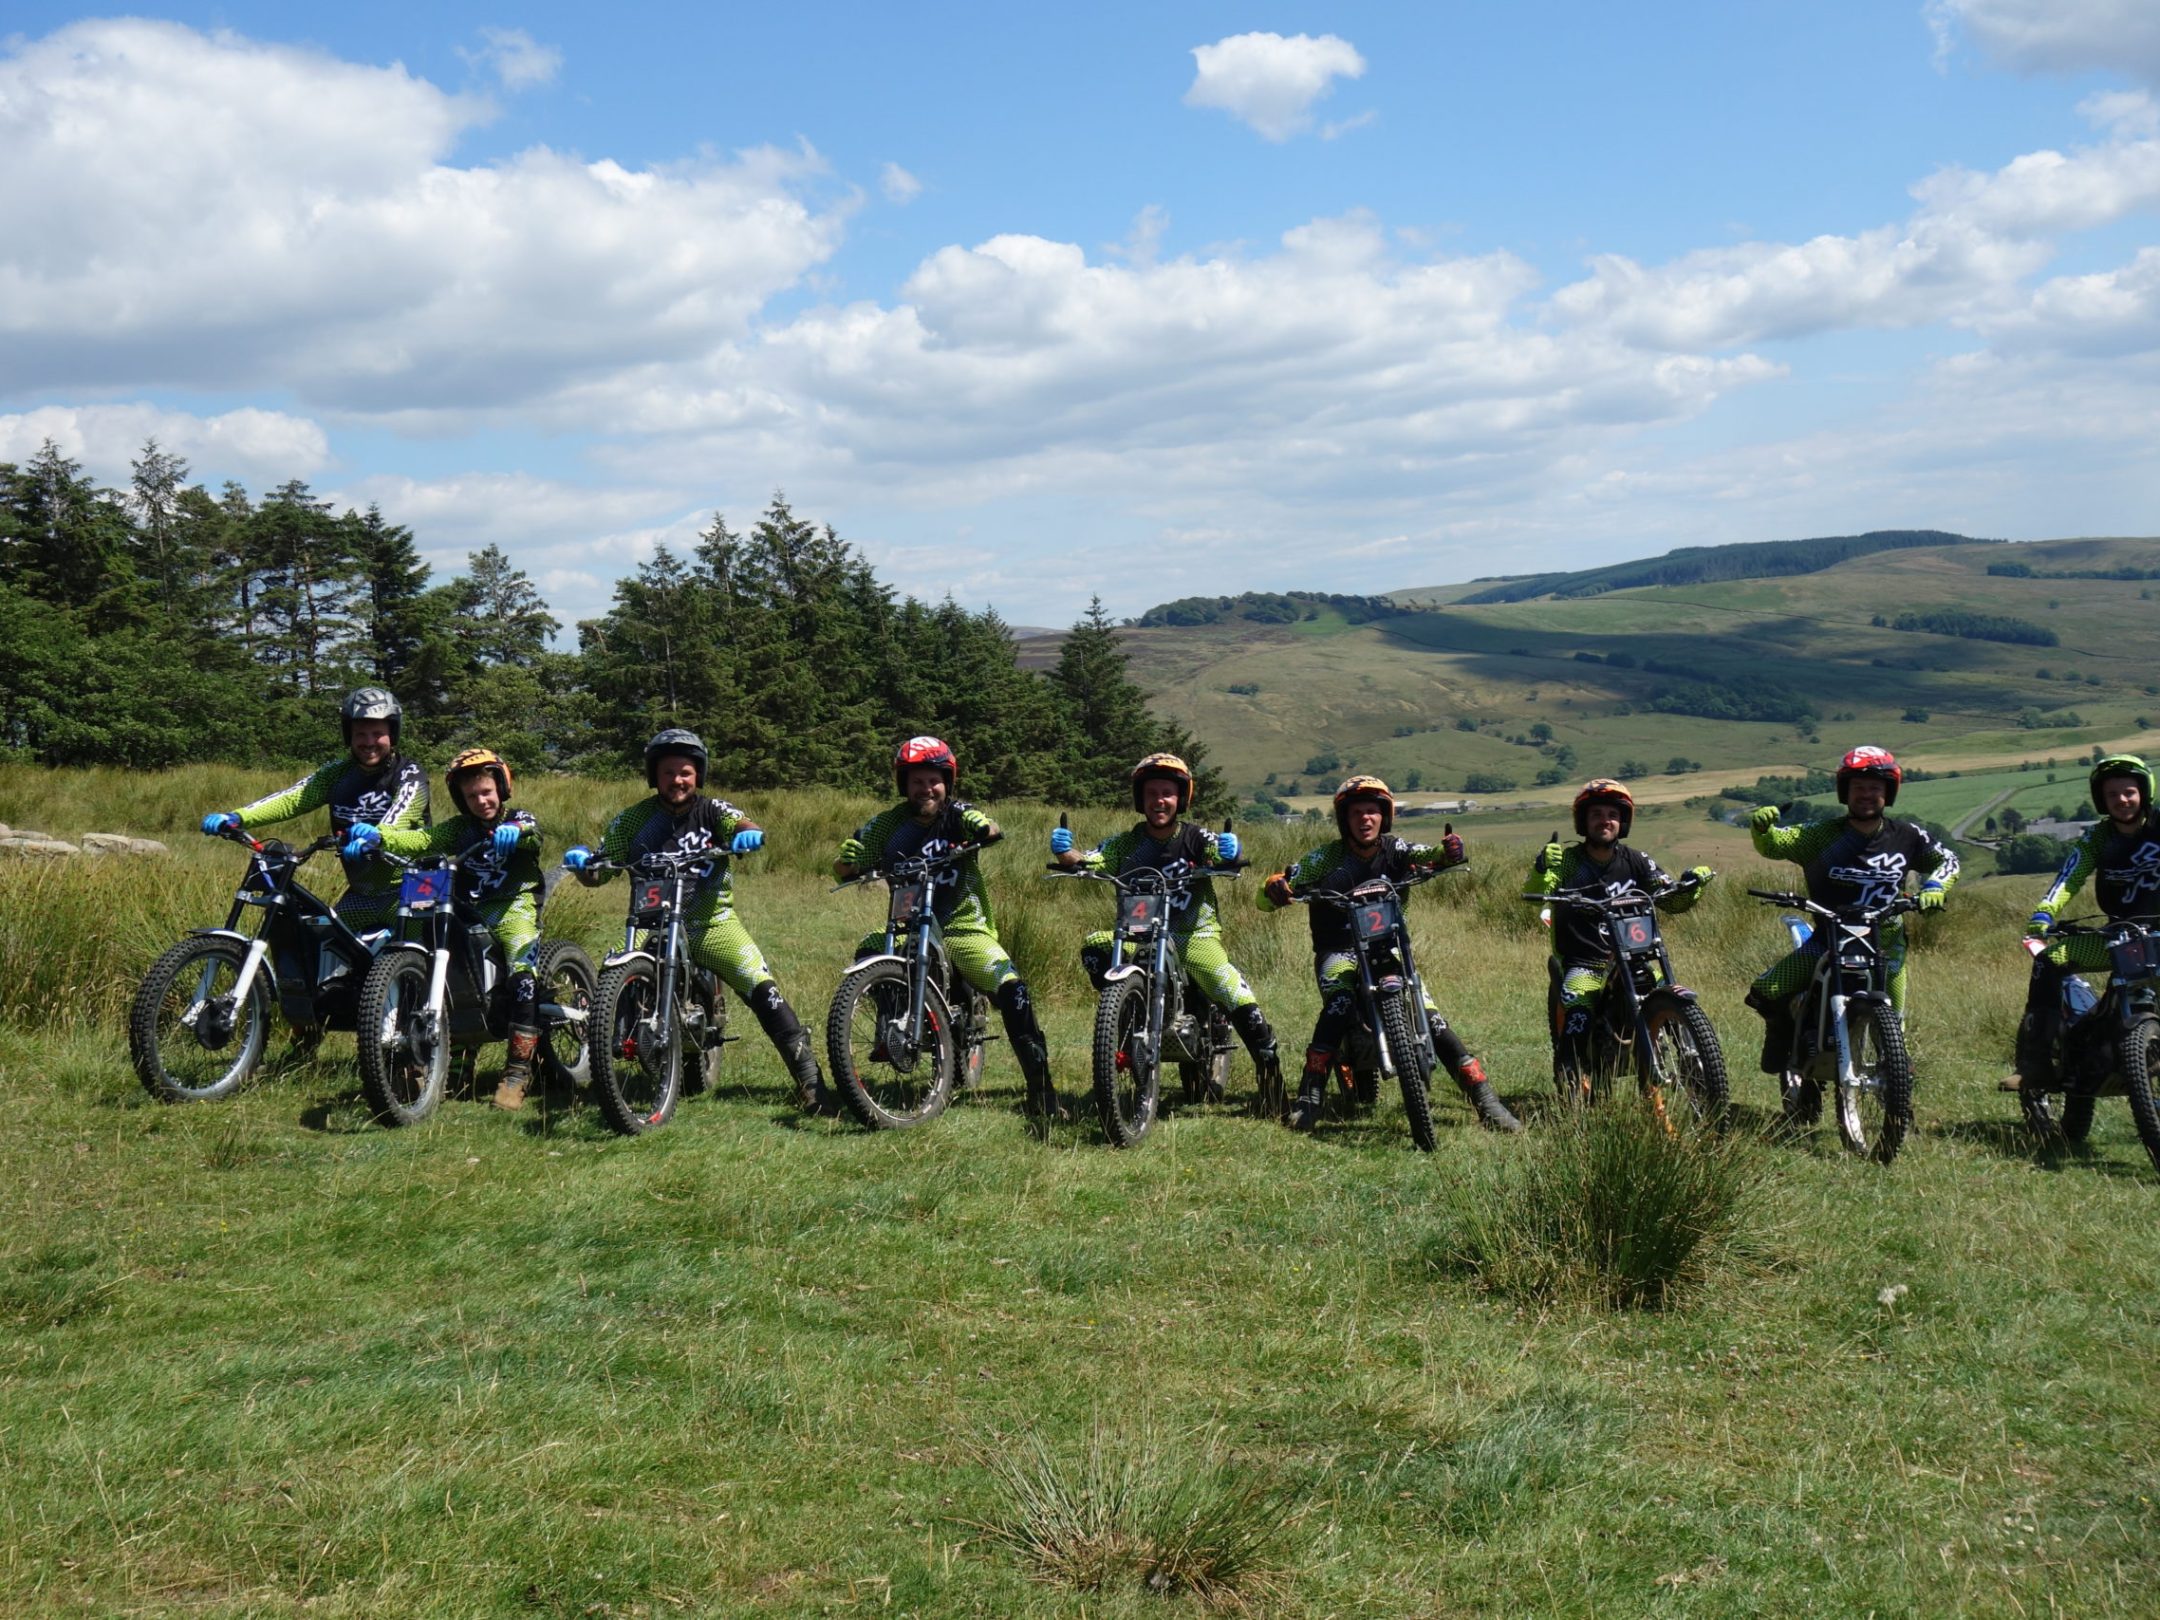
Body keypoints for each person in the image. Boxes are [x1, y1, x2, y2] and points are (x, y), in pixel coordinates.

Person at [562, 728, 828, 1112]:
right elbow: (599, 872)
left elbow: (744, 824)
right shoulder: (633, 820)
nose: (677, 780)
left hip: (711, 924)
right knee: (611, 976)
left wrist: (749, 836)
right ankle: (606, 1059)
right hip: (650, 926)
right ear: (655, 776)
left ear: (698, 774)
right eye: (668, 772)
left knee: (762, 988)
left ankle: (810, 1081)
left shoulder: (714, 810)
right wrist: (583, 864)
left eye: (685, 772)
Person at [1259, 776, 1520, 1133]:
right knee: (1338, 1005)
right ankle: (1310, 1095)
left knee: (1432, 1017)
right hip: (1339, 951)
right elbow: (1279, 886)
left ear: (1385, 816)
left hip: (1389, 946)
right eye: (1356, 812)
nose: (1365, 818)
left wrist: (1450, 851)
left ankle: (1485, 1098)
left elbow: (1431, 855)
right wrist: (1275, 886)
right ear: (1344, 819)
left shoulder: (1397, 849)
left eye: (1372, 811)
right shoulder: (1325, 858)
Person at [835, 736, 1061, 1119]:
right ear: (904, 785)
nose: (926, 788)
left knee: (1013, 990)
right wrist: (847, 860)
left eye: (934, 780)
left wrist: (983, 827)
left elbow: (989, 827)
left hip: (963, 929)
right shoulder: (888, 825)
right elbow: (847, 867)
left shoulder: (958, 814)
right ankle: (891, 1030)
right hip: (907, 928)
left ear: (948, 782)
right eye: (917, 781)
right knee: (868, 950)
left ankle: (1041, 1089)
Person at [1051, 751, 1284, 1107]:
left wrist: (1229, 851)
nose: (1159, 800)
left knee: (1233, 993)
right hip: (1137, 935)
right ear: (1140, 799)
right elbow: (1090, 861)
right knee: (1095, 946)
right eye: (1151, 793)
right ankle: (1127, 1015)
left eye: (1167, 793)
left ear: (1181, 798)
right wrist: (1066, 852)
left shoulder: (1196, 838)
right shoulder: (1125, 843)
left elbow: (1221, 856)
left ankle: (1272, 1083)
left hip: (1194, 937)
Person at [342, 748, 549, 1109]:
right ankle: (458, 1065)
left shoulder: (518, 818)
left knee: (522, 976)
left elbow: (533, 833)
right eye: (471, 796)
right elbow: (422, 840)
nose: (481, 801)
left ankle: (517, 1072)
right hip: (467, 909)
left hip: (513, 906)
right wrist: (379, 836)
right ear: (460, 800)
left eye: (487, 792)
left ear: (502, 788)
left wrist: (515, 831)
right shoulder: (457, 829)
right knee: (455, 977)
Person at [1745, 746, 1957, 1092]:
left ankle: (1898, 1100)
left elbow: (1948, 860)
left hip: (1886, 945)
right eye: (1859, 787)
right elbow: (1774, 845)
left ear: (1889, 792)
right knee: (1765, 991)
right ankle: (1785, 1037)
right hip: (1827, 940)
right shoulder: (1820, 835)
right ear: (1845, 791)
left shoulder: (1908, 835)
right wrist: (1762, 829)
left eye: (1875, 787)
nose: (1866, 794)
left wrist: (1935, 886)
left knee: (1893, 1027)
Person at [198, 685, 430, 941]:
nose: (368, 742)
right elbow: (293, 799)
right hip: (363, 896)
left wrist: (378, 834)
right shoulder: (337, 774)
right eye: (360, 734)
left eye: (377, 734)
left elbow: (403, 812)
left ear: (392, 734)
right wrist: (238, 817)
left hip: (416, 889)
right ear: (349, 736)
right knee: (325, 947)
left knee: (415, 954)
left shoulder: (410, 773)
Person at [1531, 779, 1713, 1083]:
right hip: (1585, 963)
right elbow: (1538, 892)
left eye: (1612, 815)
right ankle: (1569, 1075)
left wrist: (1693, 885)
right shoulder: (1568, 862)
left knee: (1662, 989)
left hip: (1634, 958)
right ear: (1583, 821)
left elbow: (1671, 900)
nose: (1605, 821)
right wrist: (1541, 868)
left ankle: (1691, 1056)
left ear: (1623, 821)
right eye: (1596, 814)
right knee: (1579, 1009)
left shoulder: (1638, 860)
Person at [2012, 754, 2160, 1092]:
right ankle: (2036, 1064)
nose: (2122, 800)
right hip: (2117, 938)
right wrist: (2044, 912)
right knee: (2050, 960)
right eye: (2112, 794)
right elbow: (2070, 876)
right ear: (2101, 800)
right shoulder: (2098, 838)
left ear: (2144, 792)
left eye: (2129, 792)